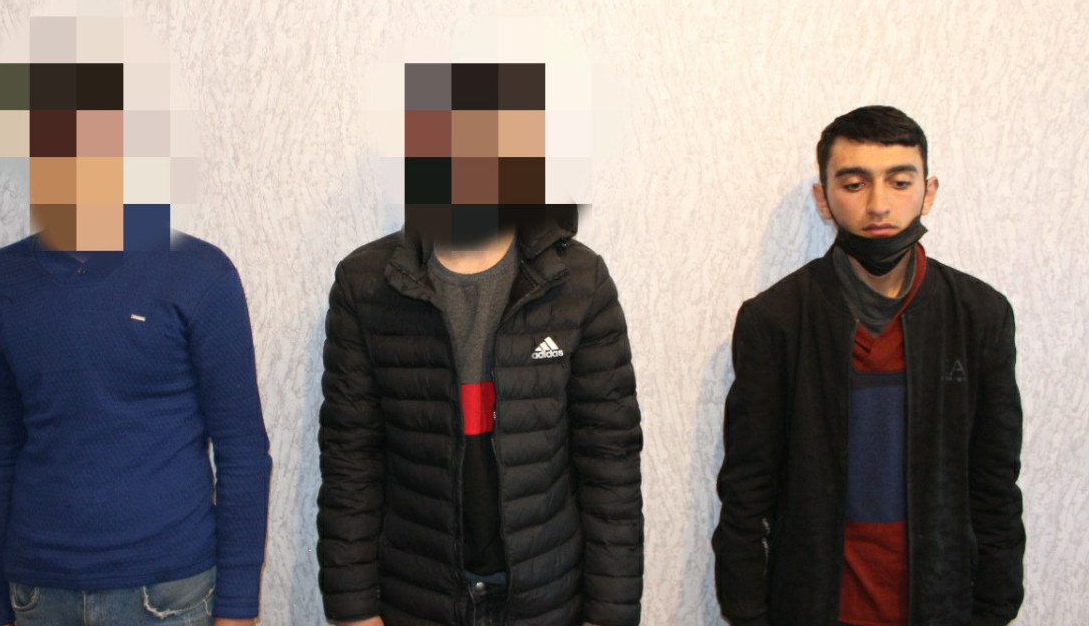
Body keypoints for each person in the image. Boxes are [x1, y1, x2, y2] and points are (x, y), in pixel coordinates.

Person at [316, 62, 643, 626]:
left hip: (545, 599)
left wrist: (609, 614)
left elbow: (610, 463)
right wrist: (352, 611)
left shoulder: (579, 283)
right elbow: (350, 462)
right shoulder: (365, 285)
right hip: (416, 596)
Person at [0, 50, 271, 626]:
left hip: (169, 594)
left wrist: (238, 607)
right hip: (37, 593)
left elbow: (242, 452)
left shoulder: (200, 275)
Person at [713, 105, 1024, 625]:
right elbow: (746, 488)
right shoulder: (776, 320)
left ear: (928, 192)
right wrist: (746, 611)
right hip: (814, 604)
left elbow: (995, 483)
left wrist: (995, 607)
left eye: (900, 182)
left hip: (939, 604)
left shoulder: (979, 316)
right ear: (824, 199)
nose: (878, 205)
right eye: (854, 184)